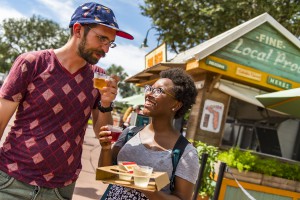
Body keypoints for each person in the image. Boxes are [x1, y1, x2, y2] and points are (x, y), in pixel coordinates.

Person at [0, 2, 133, 200]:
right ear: (78, 29)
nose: (106, 48)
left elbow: (101, 133)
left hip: (61, 190)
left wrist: (106, 104)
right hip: (12, 181)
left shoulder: (99, 77)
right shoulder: (33, 63)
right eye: (101, 38)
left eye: (110, 42)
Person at [98, 68, 200, 200]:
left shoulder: (186, 153)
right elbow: (105, 176)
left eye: (159, 91)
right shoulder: (130, 133)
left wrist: (148, 189)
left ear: (176, 104)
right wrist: (105, 148)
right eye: (150, 89)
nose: (149, 94)